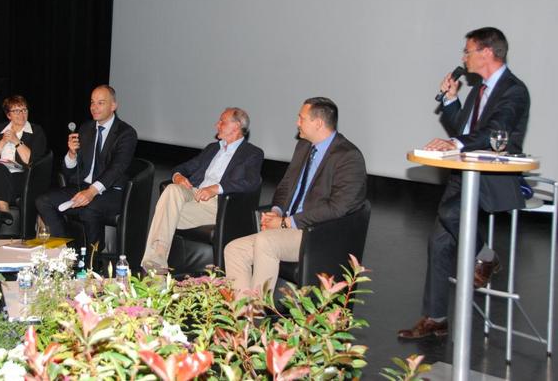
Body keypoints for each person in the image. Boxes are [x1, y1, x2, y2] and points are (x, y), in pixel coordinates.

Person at [398, 27, 530, 340]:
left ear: (487, 53)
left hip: (493, 178)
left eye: (468, 51)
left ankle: (485, 255)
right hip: (464, 174)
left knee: (452, 216)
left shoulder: (514, 90)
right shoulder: (477, 91)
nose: (463, 57)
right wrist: (451, 101)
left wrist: (454, 143)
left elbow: (494, 132)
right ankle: (436, 318)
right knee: (440, 241)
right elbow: (464, 130)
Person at [224, 97, 367, 296]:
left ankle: (255, 313)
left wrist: (287, 222)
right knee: (233, 249)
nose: (297, 123)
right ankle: (241, 315)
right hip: (289, 226)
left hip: (315, 232)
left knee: (267, 242)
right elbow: (286, 186)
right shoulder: (303, 146)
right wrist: (276, 212)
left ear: (318, 123)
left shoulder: (348, 156)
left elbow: (337, 208)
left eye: (301, 118)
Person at [141, 108, 264, 274]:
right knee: (172, 189)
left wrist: (217, 188)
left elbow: (251, 182)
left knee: (164, 211)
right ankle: (157, 263)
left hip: (219, 205)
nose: (217, 125)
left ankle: (155, 266)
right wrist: (177, 176)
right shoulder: (213, 148)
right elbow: (183, 167)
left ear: (236, 126)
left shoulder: (252, 153)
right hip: (194, 193)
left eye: (222, 121)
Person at [35, 85, 137, 248]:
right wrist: (71, 155)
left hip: (112, 192)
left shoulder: (126, 133)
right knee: (43, 201)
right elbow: (70, 174)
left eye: (101, 103)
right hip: (83, 186)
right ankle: (64, 253)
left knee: (89, 208)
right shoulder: (86, 129)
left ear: (113, 106)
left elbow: (117, 168)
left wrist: (91, 191)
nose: (94, 107)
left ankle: (93, 261)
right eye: (92, 102)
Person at [0, 95, 47, 227]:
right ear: (8, 115)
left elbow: (31, 161)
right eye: (16, 111)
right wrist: (2, 141)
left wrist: (17, 142)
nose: (21, 114)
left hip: (22, 179)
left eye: (24, 110)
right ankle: (4, 210)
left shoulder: (36, 131)